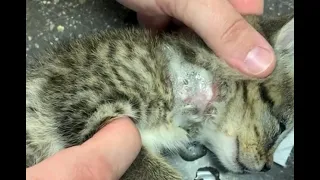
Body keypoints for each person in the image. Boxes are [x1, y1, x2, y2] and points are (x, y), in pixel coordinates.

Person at [26, 0, 274, 179]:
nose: (268, 162)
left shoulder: (182, 110)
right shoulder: (152, 66)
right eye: (278, 130)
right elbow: (79, 103)